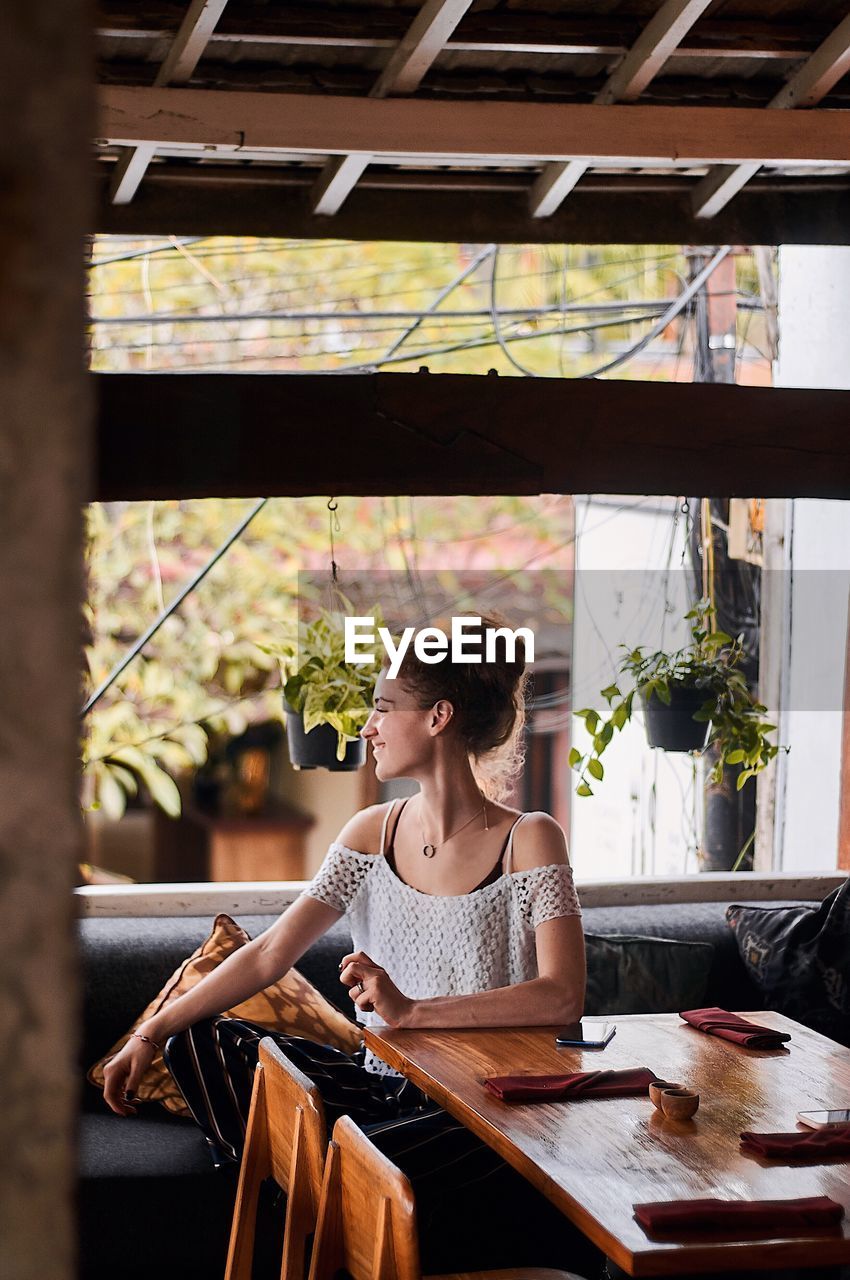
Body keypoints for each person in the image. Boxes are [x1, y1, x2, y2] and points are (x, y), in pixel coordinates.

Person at [102, 616, 595, 1273]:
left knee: (367, 1158)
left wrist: (412, 1013)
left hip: (485, 1121)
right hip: (377, 1095)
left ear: (438, 716)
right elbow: (270, 953)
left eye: (384, 707)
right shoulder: (370, 833)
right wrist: (148, 1032)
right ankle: (338, 1197)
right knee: (200, 1038)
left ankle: (312, 1203)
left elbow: (562, 998)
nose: (368, 726)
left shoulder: (530, 838)